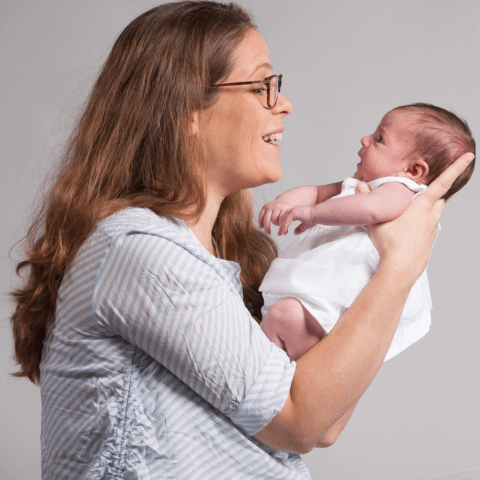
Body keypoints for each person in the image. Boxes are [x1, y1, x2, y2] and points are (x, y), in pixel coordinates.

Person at [8, 2, 474, 479]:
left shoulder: (216, 261)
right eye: (260, 86)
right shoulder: (140, 250)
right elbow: (301, 422)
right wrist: (399, 268)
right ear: (187, 109)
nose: (283, 103)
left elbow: (328, 419)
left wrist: (375, 274)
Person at [258, 104, 475, 362]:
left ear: (413, 171)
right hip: (320, 288)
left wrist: (313, 214)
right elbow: (316, 192)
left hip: (342, 295)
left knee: (287, 319)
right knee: (277, 328)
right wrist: (285, 203)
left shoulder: (401, 190)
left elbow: (371, 210)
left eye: (379, 138)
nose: (365, 139)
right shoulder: (360, 185)